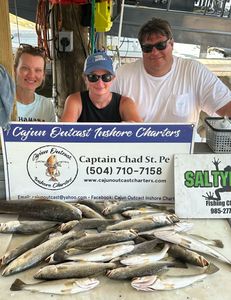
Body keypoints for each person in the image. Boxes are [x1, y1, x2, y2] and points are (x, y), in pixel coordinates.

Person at [111, 18, 231, 128]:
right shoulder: (123, 74)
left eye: (160, 45)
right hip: (135, 148)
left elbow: (226, 106)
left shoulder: (194, 71)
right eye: (147, 48)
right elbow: (100, 108)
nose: (154, 52)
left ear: (172, 44)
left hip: (182, 149)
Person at [61, 51, 142, 122]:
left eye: (106, 77)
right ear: (85, 79)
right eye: (93, 77)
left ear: (113, 79)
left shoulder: (125, 103)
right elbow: (64, 133)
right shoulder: (74, 101)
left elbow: (141, 133)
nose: (100, 83)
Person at [14, 44, 56, 122]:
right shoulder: (3, 102)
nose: (31, 75)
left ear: (43, 75)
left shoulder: (47, 106)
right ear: (14, 70)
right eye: (25, 68)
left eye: (38, 70)